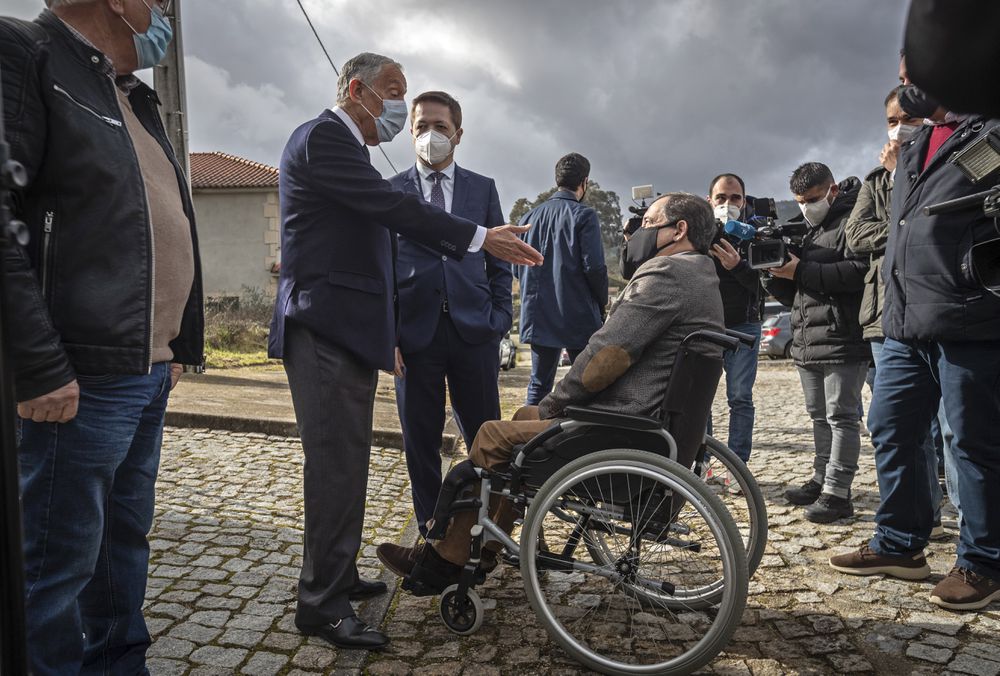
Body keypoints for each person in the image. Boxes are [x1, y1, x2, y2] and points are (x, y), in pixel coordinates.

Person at [268, 52, 541, 650]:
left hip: (352, 332)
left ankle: (337, 576)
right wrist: (478, 237)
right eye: (394, 94)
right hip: (325, 326)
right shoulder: (323, 138)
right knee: (336, 466)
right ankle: (321, 605)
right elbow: (395, 210)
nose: (401, 110)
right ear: (356, 89)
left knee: (350, 462)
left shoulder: (348, 149)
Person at [376, 192, 724, 587]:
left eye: (648, 223)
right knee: (522, 419)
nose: (638, 232)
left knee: (492, 436)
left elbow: (605, 356)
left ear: (679, 230)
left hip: (623, 428)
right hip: (655, 426)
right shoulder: (704, 275)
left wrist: (555, 404)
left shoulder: (665, 275)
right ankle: (486, 543)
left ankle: (446, 558)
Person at [1, 1, 202, 672]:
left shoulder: (132, 97)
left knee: (122, 545)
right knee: (54, 566)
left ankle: (120, 663)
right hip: (77, 374)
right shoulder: (26, 52)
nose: (165, 14)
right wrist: (35, 363)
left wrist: (181, 347)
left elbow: (164, 221)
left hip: (143, 370)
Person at [829, 74, 1000, 610]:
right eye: (903, 76)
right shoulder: (910, 148)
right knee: (891, 428)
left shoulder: (987, 131)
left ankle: (983, 563)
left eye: (918, 73)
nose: (908, 85)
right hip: (902, 322)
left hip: (968, 317)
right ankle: (900, 545)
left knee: (971, 441)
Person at [388, 90, 513, 535]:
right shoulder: (391, 191)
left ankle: (481, 526)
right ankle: (431, 530)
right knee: (419, 440)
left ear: (458, 134)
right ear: (410, 133)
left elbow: (500, 262)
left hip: (474, 333)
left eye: (440, 127)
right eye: (421, 126)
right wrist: (389, 337)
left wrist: (500, 319)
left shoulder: (482, 188)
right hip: (413, 337)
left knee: (486, 436)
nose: (430, 135)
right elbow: (382, 268)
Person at [844, 85, 949, 539]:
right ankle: (908, 533)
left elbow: (939, 223)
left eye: (906, 117)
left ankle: (978, 546)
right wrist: (901, 219)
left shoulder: (951, 160)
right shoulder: (874, 180)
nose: (898, 127)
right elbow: (857, 235)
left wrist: (903, 176)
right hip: (888, 316)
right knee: (894, 427)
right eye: (890, 120)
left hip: (945, 310)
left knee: (956, 433)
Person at [765, 162, 868, 524]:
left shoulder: (853, 220)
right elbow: (796, 291)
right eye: (800, 201)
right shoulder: (807, 231)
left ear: (832, 189)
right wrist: (772, 275)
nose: (806, 206)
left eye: (811, 199)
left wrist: (801, 270)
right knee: (819, 417)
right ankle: (822, 479)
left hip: (843, 338)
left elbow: (858, 273)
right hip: (808, 339)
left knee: (842, 417)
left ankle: (838, 495)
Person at [515, 153, 608, 405]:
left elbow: (517, 269)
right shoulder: (584, 215)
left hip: (537, 314)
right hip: (576, 314)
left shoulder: (528, 218)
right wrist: (602, 302)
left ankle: (530, 438)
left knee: (538, 383)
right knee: (585, 384)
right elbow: (595, 268)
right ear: (584, 182)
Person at [705, 173, 765, 464]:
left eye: (734, 198)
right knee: (699, 398)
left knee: (740, 396)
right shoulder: (698, 232)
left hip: (744, 324)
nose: (728, 203)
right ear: (710, 200)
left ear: (744, 200)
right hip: (705, 325)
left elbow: (766, 285)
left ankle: (736, 464)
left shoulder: (757, 232)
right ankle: (698, 460)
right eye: (721, 197)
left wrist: (738, 266)